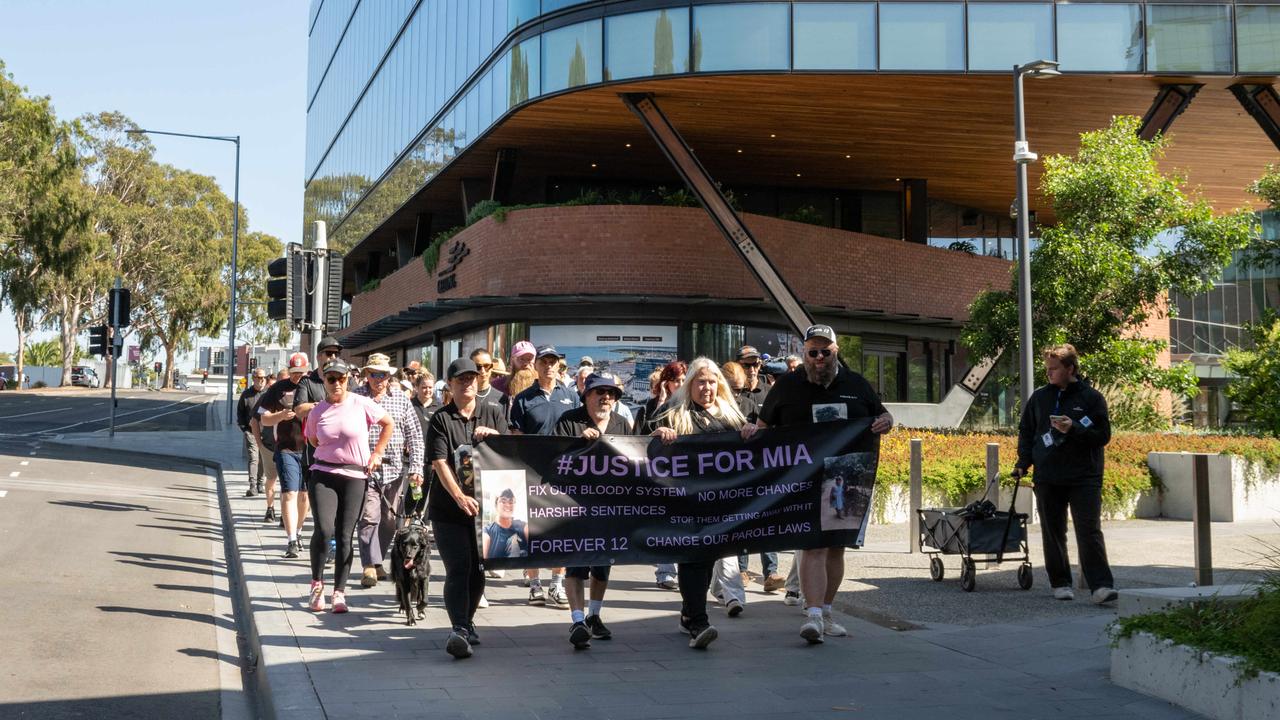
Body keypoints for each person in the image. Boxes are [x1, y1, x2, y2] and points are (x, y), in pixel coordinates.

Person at [753, 324, 894, 644]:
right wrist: (751, 435)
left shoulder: (856, 384)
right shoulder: (787, 386)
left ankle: (827, 612)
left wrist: (887, 422)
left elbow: (884, 416)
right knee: (812, 544)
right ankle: (813, 615)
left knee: (835, 548)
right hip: (801, 479)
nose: (819, 358)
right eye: (812, 352)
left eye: (825, 351)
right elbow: (763, 428)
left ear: (836, 352)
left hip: (847, 476)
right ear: (804, 353)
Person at [652, 357, 753, 648]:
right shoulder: (673, 412)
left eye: (711, 381)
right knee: (692, 558)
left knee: (708, 558)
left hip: (720, 504)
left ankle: (687, 614)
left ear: (718, 385)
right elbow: (641, 444)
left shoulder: (731, 415)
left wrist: (749, 433)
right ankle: (699, 622)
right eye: (700, 381)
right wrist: (659, 435)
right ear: (690, 384)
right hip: (685, 503)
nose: (706, 387)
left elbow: (754, 449)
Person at [1013, 344, 1117, 604]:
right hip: (1048, 475)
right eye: (1047, 368)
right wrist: (1023, 463)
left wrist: (1073, 429)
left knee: (1089, 530)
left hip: (1084, 476)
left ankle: (1101, 586)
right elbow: (1027, 432)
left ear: (1070, 369)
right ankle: (1060, 582)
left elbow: (1103, 436)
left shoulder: (1091, 398)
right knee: (1053, 530)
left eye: (1054, 368)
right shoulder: (1039, 398)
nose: (1048, 373)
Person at [426, 358, 507, 659]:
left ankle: (468, 621)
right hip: (449, 509)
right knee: (458, 567)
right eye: (461, 379)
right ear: (450, 385)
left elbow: (510, 453)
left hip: (486, 508)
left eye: (473, 377)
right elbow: (439, 462)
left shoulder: (494, 412)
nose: (469, 383)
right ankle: (458, 628)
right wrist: (459, 496)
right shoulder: (441, 419)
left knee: (478, 569)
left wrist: (496, 437)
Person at [304, 358, 393, 614]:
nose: (336, 384)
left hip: (355, 476)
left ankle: (339, 593)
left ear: (348, 380)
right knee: (324, 529)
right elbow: (312, 439)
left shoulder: (361, 403)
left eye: (341, 379)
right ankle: (317, 584)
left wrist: (377, 453)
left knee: (345, 535)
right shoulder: (317, 411)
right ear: (324, 380)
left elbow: (388, 423)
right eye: (331, 379)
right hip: (324, 473)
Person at [552, 373, 632, 649]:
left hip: (609, 508)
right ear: (586, 395)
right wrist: (576, 443)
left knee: (602, 565)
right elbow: (553, 458)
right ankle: (576, 620)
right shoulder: (569, 421)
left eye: (611, 393)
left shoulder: (622, 424)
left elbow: (636, 460)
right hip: (575, 506)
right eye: (599, 392)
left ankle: (594, 615)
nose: (605, 398)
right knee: (576, 562)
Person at [509, 345, 580, 608]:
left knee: (561, 530)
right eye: (544, 361)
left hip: (564, 474)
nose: (549, 366)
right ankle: (535, 584)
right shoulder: (524, 399)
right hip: (533, 474)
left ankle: (557, 585)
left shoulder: (571, 396)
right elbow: (515, 437)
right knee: (533, 532)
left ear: (559, 365)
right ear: (535, 366)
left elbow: (580, 430)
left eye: (553, 361)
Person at [354, 353, 424, 589]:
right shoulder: (356, 398)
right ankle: (369, 566)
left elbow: (415, 436)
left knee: (390, 521)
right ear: (367, 375)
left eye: (383, 374)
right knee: (369, 517)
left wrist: (416, 468)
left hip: (394, 470)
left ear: (389, 376)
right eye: (374, 374)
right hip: (365, 469)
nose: (379, 379)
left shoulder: (401, 400)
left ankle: (377, 559)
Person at [729, 349, 784, 593]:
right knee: (742, 519)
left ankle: (770, 573)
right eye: (747, 365)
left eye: (756, 364)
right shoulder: (726, 397)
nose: (752, 369)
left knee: (765, 518)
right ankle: (741, 570)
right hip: (735, 469)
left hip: (762, 465)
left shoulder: (767, 392)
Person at [635, 360, 686, 590]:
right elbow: (640, 437)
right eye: (677, 381)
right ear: (667, 383)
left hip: (685, 472)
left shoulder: (691, 405)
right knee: (665, 521)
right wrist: (663, 401)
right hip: (660, 473)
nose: (681, 385)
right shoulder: (650, 406)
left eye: (685, 381)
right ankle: (666, 571)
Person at [258, 353, 314, 558]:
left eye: (301, 372)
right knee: (289, 492)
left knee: (304, 495)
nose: (298, 376)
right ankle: (291, 540)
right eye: (294, 373)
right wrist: (280, 416)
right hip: (286, 449)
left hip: (309, 449)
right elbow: (263, 419)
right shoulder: (277, 389)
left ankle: (299, 532)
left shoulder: (312, 386)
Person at [237, 369, 270, 498]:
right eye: (259, 378)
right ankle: (252, 486)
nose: (261, 380)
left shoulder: (268, 394)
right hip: (251, 432)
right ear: (254, 379)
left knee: (263, 459)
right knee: (254, 458)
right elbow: (240, 412)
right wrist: (244, 428)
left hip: (265, 432)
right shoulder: (246, 395)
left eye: (263, 378)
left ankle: (260, 484)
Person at [482, 489, 529, 558]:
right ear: (496, 505)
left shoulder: (523, 526)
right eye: (503, 501)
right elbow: (482, 562)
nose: (507, 505)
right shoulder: (487, 531)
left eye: (511, 502)